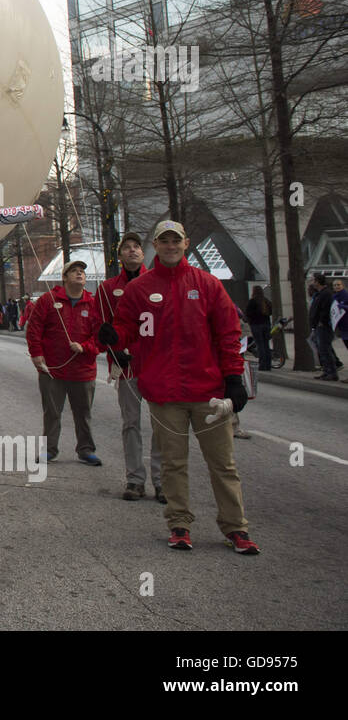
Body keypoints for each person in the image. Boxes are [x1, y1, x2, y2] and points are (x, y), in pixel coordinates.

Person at [99, 220, 258, 554]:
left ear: (186, 243)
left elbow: (229, 334)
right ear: (156, 245)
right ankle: (179, 524)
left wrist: (233, 378)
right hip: (164, 393)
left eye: (176, 240)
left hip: (209, 392)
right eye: (164, 241)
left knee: (223, 464)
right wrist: (115, 337)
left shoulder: (208, 284)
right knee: (173, 464)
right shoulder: (140, 288)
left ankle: (235, 528)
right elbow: (127, 327)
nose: (170, 246)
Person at [97, 233, 162, 502]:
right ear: (119, 255)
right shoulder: (107, 288)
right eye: (127, 248)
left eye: (137, 247)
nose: (133, 251)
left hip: (158, 365)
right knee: (131, 423)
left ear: (144, 253)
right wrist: (114, 353)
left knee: (163, 424)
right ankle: (135, 479)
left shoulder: (158, 283)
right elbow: (101, 328)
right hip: (127, 366)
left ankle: (162, 480)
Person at [26, 260, 101, 465]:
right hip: (52, 370)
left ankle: (86, 449)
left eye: (82, 272)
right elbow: (34, 329)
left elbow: (100, 337)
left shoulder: (93, 304)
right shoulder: (47, 300)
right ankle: (50, 449)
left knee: (83, 413)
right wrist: (36, 354)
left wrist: (85, 347)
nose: (79, 274)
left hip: (83, 371)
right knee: (52, 412)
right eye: (74, 271)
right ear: (65, 277)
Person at [309, 274, 339, 381]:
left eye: (312, 280)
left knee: (325, 349)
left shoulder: (326, 294)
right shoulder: (319, 294)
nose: (311, 281)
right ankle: (327, 371)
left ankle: (332, 372)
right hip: (318, 325)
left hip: (323, 326)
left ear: (317, 282)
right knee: (322, 350)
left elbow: (325, 309)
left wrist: (322, 321)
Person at [245, 284, 273, 372]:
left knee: (260, 345)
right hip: (266, 325)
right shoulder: (266, 301)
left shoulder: (252, 301)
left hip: (256, 325)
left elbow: (248, 313)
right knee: (266, 345)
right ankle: (268, 364)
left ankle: (262, 365)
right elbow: (270, 312)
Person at [334, 279, 348, 352]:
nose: (337, 286)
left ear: (342, 285)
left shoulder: (346, 295)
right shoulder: (334, 297)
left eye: (338, 285)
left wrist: (343, 306)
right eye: (335, 285)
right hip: (341, 326)